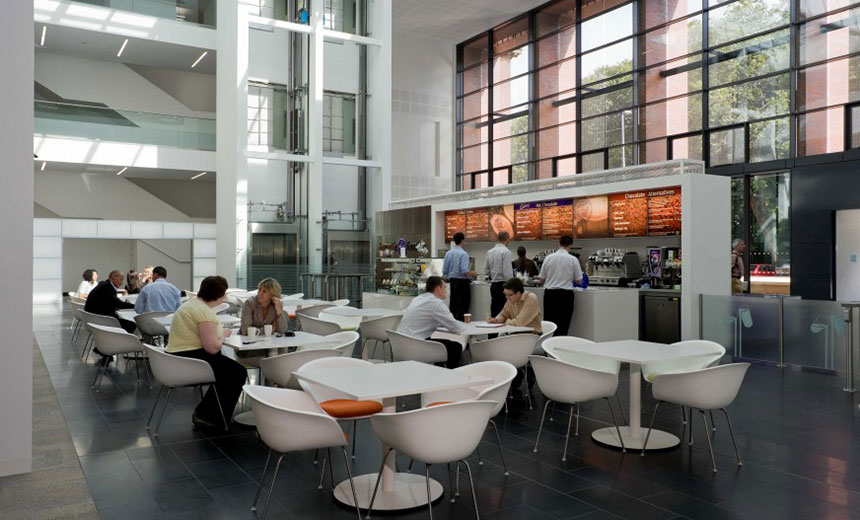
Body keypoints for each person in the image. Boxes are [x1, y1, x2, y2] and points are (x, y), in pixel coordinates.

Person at [166, 275, 246, 430]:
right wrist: (224, 335)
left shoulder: (193, 304)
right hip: (190, 359)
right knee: (237, 372)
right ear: (220, 295)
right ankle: (208, 416)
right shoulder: (204, 313)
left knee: (228, 370)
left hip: (176, 357)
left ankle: (207, 413)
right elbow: (212, 348)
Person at [397, 276, 467, 368]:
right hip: (415, 344)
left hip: (400, 343)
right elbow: (455, 327)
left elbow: (430, 318)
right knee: (455, 347)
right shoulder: (436, 303)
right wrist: (467, 326)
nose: (446, 291)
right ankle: (451, 377)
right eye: (444, 287)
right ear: (438, 288)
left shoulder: (419, 298)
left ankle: (439, 371)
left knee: (445, 345)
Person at [487, 277, 542, 389]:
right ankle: (513, 374)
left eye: (509, 295)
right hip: (516, 334)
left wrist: (507, 322)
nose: (507, 297)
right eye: (506, 295)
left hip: (531, 336)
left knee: (506, 347)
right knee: (500, 346)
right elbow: (504, 314)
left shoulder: (531, 298)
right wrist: (496, 320)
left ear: (518, 293)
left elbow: (520, 322)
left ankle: (518, 373)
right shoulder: (511, 300)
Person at [537, 235, 582, 337]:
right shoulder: (573, 259)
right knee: (563, 325)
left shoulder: (548, 258)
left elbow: (541, 279)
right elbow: (579, 280)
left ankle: (547, 348)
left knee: (550, 325)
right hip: (565, 296)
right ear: (570, 245)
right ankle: (559, 347)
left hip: (550, 295)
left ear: (559, 243)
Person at [442, 232, 476, 321]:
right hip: (462, 284)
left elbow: (445, 270)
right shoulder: (464, 254)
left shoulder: (448, 253)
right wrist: (473, 273)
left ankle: (453, 325)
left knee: (454, 305)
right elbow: (464, 271)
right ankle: (462, 327)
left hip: (453, 282)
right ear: (462, 241)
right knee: (463, 307)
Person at [485, 231, 514, 318]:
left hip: (493, 285)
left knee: (494, 310)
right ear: (507, 239)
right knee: (504, 312)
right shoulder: (506, 252)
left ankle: (493, 331)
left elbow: (486, 270)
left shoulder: (490, 252)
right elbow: (507, 273)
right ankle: (503, 331)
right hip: (503, 285)